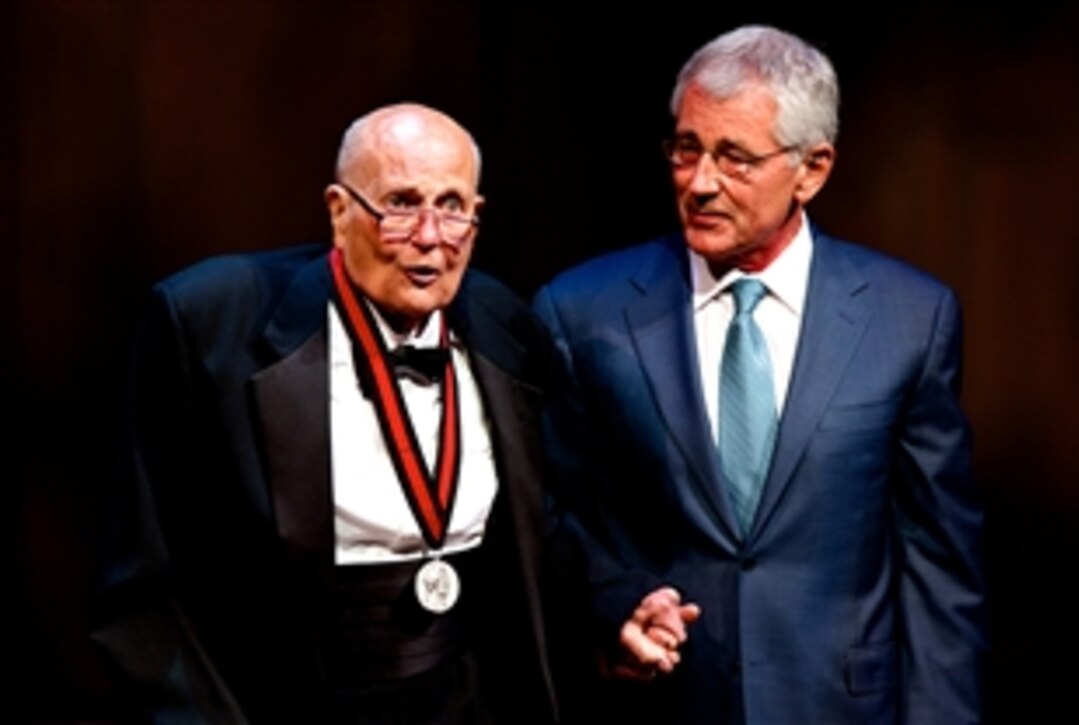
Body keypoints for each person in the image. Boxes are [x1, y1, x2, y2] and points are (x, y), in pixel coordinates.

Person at [533, 25, 985, 724]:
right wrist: (612, 602)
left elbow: (938, 564)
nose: (700, 182)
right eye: (687, 149)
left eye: (735, 158)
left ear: (813, 168)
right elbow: (550, 517)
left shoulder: (909, 319)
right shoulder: (581, 312)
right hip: (661, 703)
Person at [92, 103, 557, 723]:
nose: (430, 237)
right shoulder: (210, 323)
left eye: (452, 207)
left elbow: (543, 540)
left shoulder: (505, 324)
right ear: (340, 213)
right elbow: (142, 588)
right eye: (400, 204)